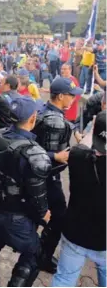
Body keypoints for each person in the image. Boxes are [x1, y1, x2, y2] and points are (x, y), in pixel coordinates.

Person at [0, 96, 51, 287]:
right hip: (15, 218)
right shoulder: (35, 154)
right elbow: (37, 196)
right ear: (33, 118)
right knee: (34, 254)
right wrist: (44, 214)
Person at [33, 77, 83, 274]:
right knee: (59, 217)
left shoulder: (46, 110)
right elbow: (47, 157)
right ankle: (41, 257)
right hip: (47, 177)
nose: (73, 99)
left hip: (40, 176)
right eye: (71, 96)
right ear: (61, 96)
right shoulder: (55, 121)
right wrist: (59, 156)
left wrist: (72, 130)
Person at [52, 111, 106, 287]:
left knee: (64, 280)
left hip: (75, 233)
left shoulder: (77, 156)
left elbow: (84, 143)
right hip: (104, 241)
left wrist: (96, 126)